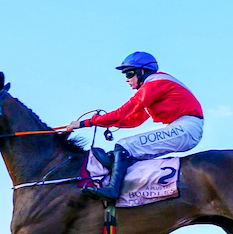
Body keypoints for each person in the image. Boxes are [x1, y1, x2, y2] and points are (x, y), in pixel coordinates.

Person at [67, 52, 204, 201]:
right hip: (184, 128)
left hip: (186, 128)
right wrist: (105, 123)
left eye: (129, 74)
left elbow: (123, 111)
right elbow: (134, 120)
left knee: (123, 145)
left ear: (142, 72)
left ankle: (113, 190)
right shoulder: (156, 87)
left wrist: (85, 123)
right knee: (125, 151)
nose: (127, 80)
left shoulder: (154, 84)